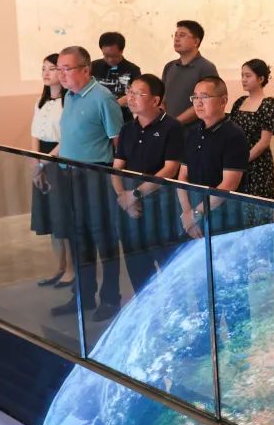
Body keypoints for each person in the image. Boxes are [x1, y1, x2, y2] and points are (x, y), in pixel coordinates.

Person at [51, 45, 125, 320]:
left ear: (85, 69)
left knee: (103, 237)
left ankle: (111, 299)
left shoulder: (102, 98)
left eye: (66, 69)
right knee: (78, 236)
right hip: (70, 175)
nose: (61, 74)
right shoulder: (70, 97)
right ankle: (82, 296)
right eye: (59, 69)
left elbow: (118, 142)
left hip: (96, 175)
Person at [109, 74, 184, 315]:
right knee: (137, 266)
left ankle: (175, 314)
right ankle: (147, 314)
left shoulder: (171, 127)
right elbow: (117, 166)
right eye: (130, 92)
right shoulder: (127, 128)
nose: (131, 98)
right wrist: (123, 196)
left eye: (139, 94)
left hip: (160, 205)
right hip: (129, 205)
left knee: (168, 264)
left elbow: (170, 169)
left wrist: (135, 195)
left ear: (155, 100)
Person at [177, 76, 250, 239]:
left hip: (223, 215)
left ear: (223, 101)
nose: (198, 103)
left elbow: (229, 184)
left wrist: (196, 213)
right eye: (195, 97)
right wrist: (187, 212)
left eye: (204, 97)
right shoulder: (191, 133)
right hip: (193, 214)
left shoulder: (234, 135)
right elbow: (182, 176)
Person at [29, 52, 73, 289]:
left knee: (62, 216)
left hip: (59, 160)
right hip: (42, 161)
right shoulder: (40, 101)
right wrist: (36, 161)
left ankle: (71, 269)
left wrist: (44, 162)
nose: (46, 73)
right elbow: (35, 133)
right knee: (50, 218)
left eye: (52, 68)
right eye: (43, 68)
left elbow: (67, 138)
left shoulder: (69, 101)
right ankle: (59, 266)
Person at [228, 58, 274, 200]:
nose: (243, 79)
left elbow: (264, 142)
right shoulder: (240, 102)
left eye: (248, 76)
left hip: (258, 165)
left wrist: (243, 160)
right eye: (242, 75)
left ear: (261, 79)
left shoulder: (269, 104)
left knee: (256, 204)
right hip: (236, 162)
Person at [162, 20, 218, 128]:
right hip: (170, 130)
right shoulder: (169, 67)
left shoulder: (206, 68)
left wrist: (176, 122)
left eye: (182, 35)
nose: (176, 39)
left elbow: (205, 102)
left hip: (194, 131)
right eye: (175, 35)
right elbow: (163, 99)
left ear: (196, 41)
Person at [91, 32, 141, 122]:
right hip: (97, 119)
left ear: (122, 51)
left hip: (122, 120)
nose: (110, 60)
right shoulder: (93, 67)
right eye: (106, 55)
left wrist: (127, 99)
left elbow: (139, 95)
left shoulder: (133, 70)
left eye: (114, 56)